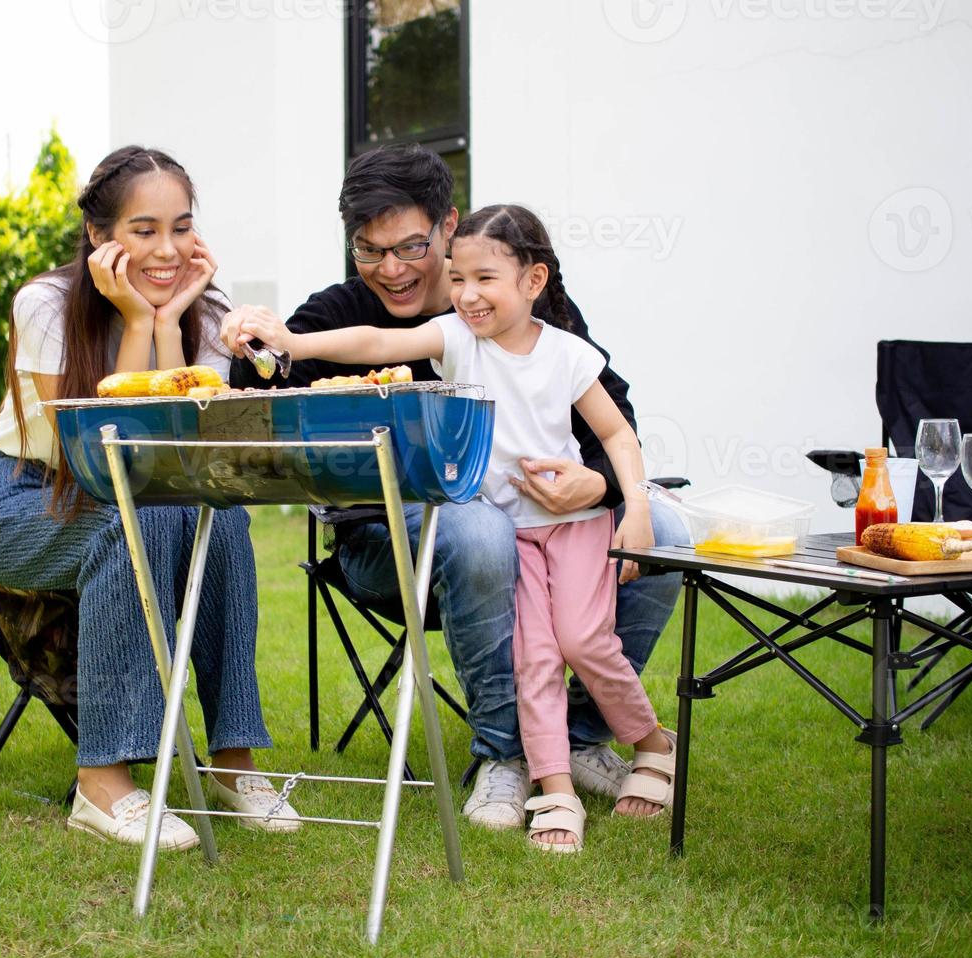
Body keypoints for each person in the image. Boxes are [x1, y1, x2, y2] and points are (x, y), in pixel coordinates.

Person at [228, 144, 688, 832]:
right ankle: (504, 754)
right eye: (368, 250)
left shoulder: (525, 305)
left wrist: (600, 485)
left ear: (448, 228)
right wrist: (262, 341)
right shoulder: (353, 310)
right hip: (386, 543)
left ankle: (578, 734)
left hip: (545, 529)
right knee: (476, 526)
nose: (390, 269)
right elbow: (267, 381)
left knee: (668, 533)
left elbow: (610, 420)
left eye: (410, 246)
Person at [0, 146, 299, 850]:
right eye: (143, 230)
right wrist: (139, 323)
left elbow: (178, 461)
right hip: (21, 502)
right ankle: (102, 783)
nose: (167, 249)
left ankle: (232, 761)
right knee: (128, 522)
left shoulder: (206, 311)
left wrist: (174, 319)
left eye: (181, 227)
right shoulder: (46, 303)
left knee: (217, 516)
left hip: (131, 496)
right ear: (99, 235)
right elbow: (104, 456)